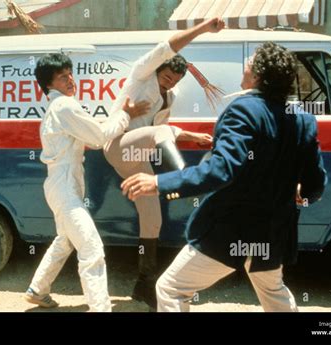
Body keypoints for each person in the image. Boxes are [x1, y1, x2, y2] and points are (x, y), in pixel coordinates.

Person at [121, 42, 328, 312]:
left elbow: (222, 170)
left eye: (250, 62)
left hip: (232, 229)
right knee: (273, 291)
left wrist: (160, 183)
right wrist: (302, 191)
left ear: (257, 75)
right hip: (274, 231)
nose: (245, 66)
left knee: (171, 289)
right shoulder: (302, 119)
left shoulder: (244, 110)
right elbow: (316, 182)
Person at [103, 17, 225, 308]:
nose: (169, 80)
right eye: (167, 74)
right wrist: (204, 27)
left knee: (153, 220)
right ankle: (186, 179)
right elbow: (168, 46)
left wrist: (194, 136)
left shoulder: (168, 97)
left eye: (174, 79)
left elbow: (163, 131)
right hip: (118, 146)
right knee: (160, 136)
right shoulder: (141, 75)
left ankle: (144, 284)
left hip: (139, 157)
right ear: (159, 67)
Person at [25, 53, 148, 311]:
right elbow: (99, 136)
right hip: (64, 185)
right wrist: (125, 115)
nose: (70, 80)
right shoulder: (64, 107)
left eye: (70, 74)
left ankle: (38, 289)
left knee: (66, 239)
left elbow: (92, 131)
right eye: (62, 77)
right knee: (91, 247)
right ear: (49, 84)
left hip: (63, 183)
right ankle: (100, 308)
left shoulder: (60, 106)